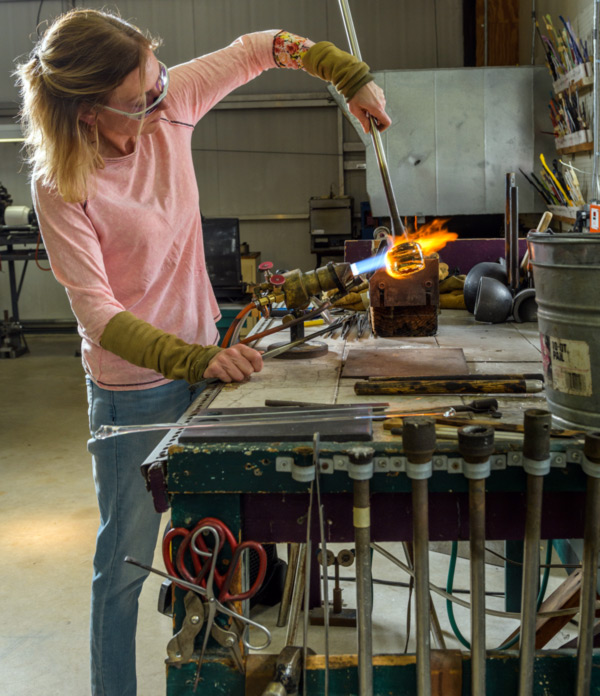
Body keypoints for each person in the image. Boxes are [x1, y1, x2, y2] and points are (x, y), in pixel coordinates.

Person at [15, 8, 391, 695]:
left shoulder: (170, 98)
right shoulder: (61, 186)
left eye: (158, 85)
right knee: (124, 563)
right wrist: (190, 361)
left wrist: (350, 78)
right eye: (138, 102)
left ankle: (211, 674)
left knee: (216, 544)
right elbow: (98, 312)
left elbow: (262, 47)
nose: (159, 106)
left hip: (209, 360)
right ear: (89, 114)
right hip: (133, 387)